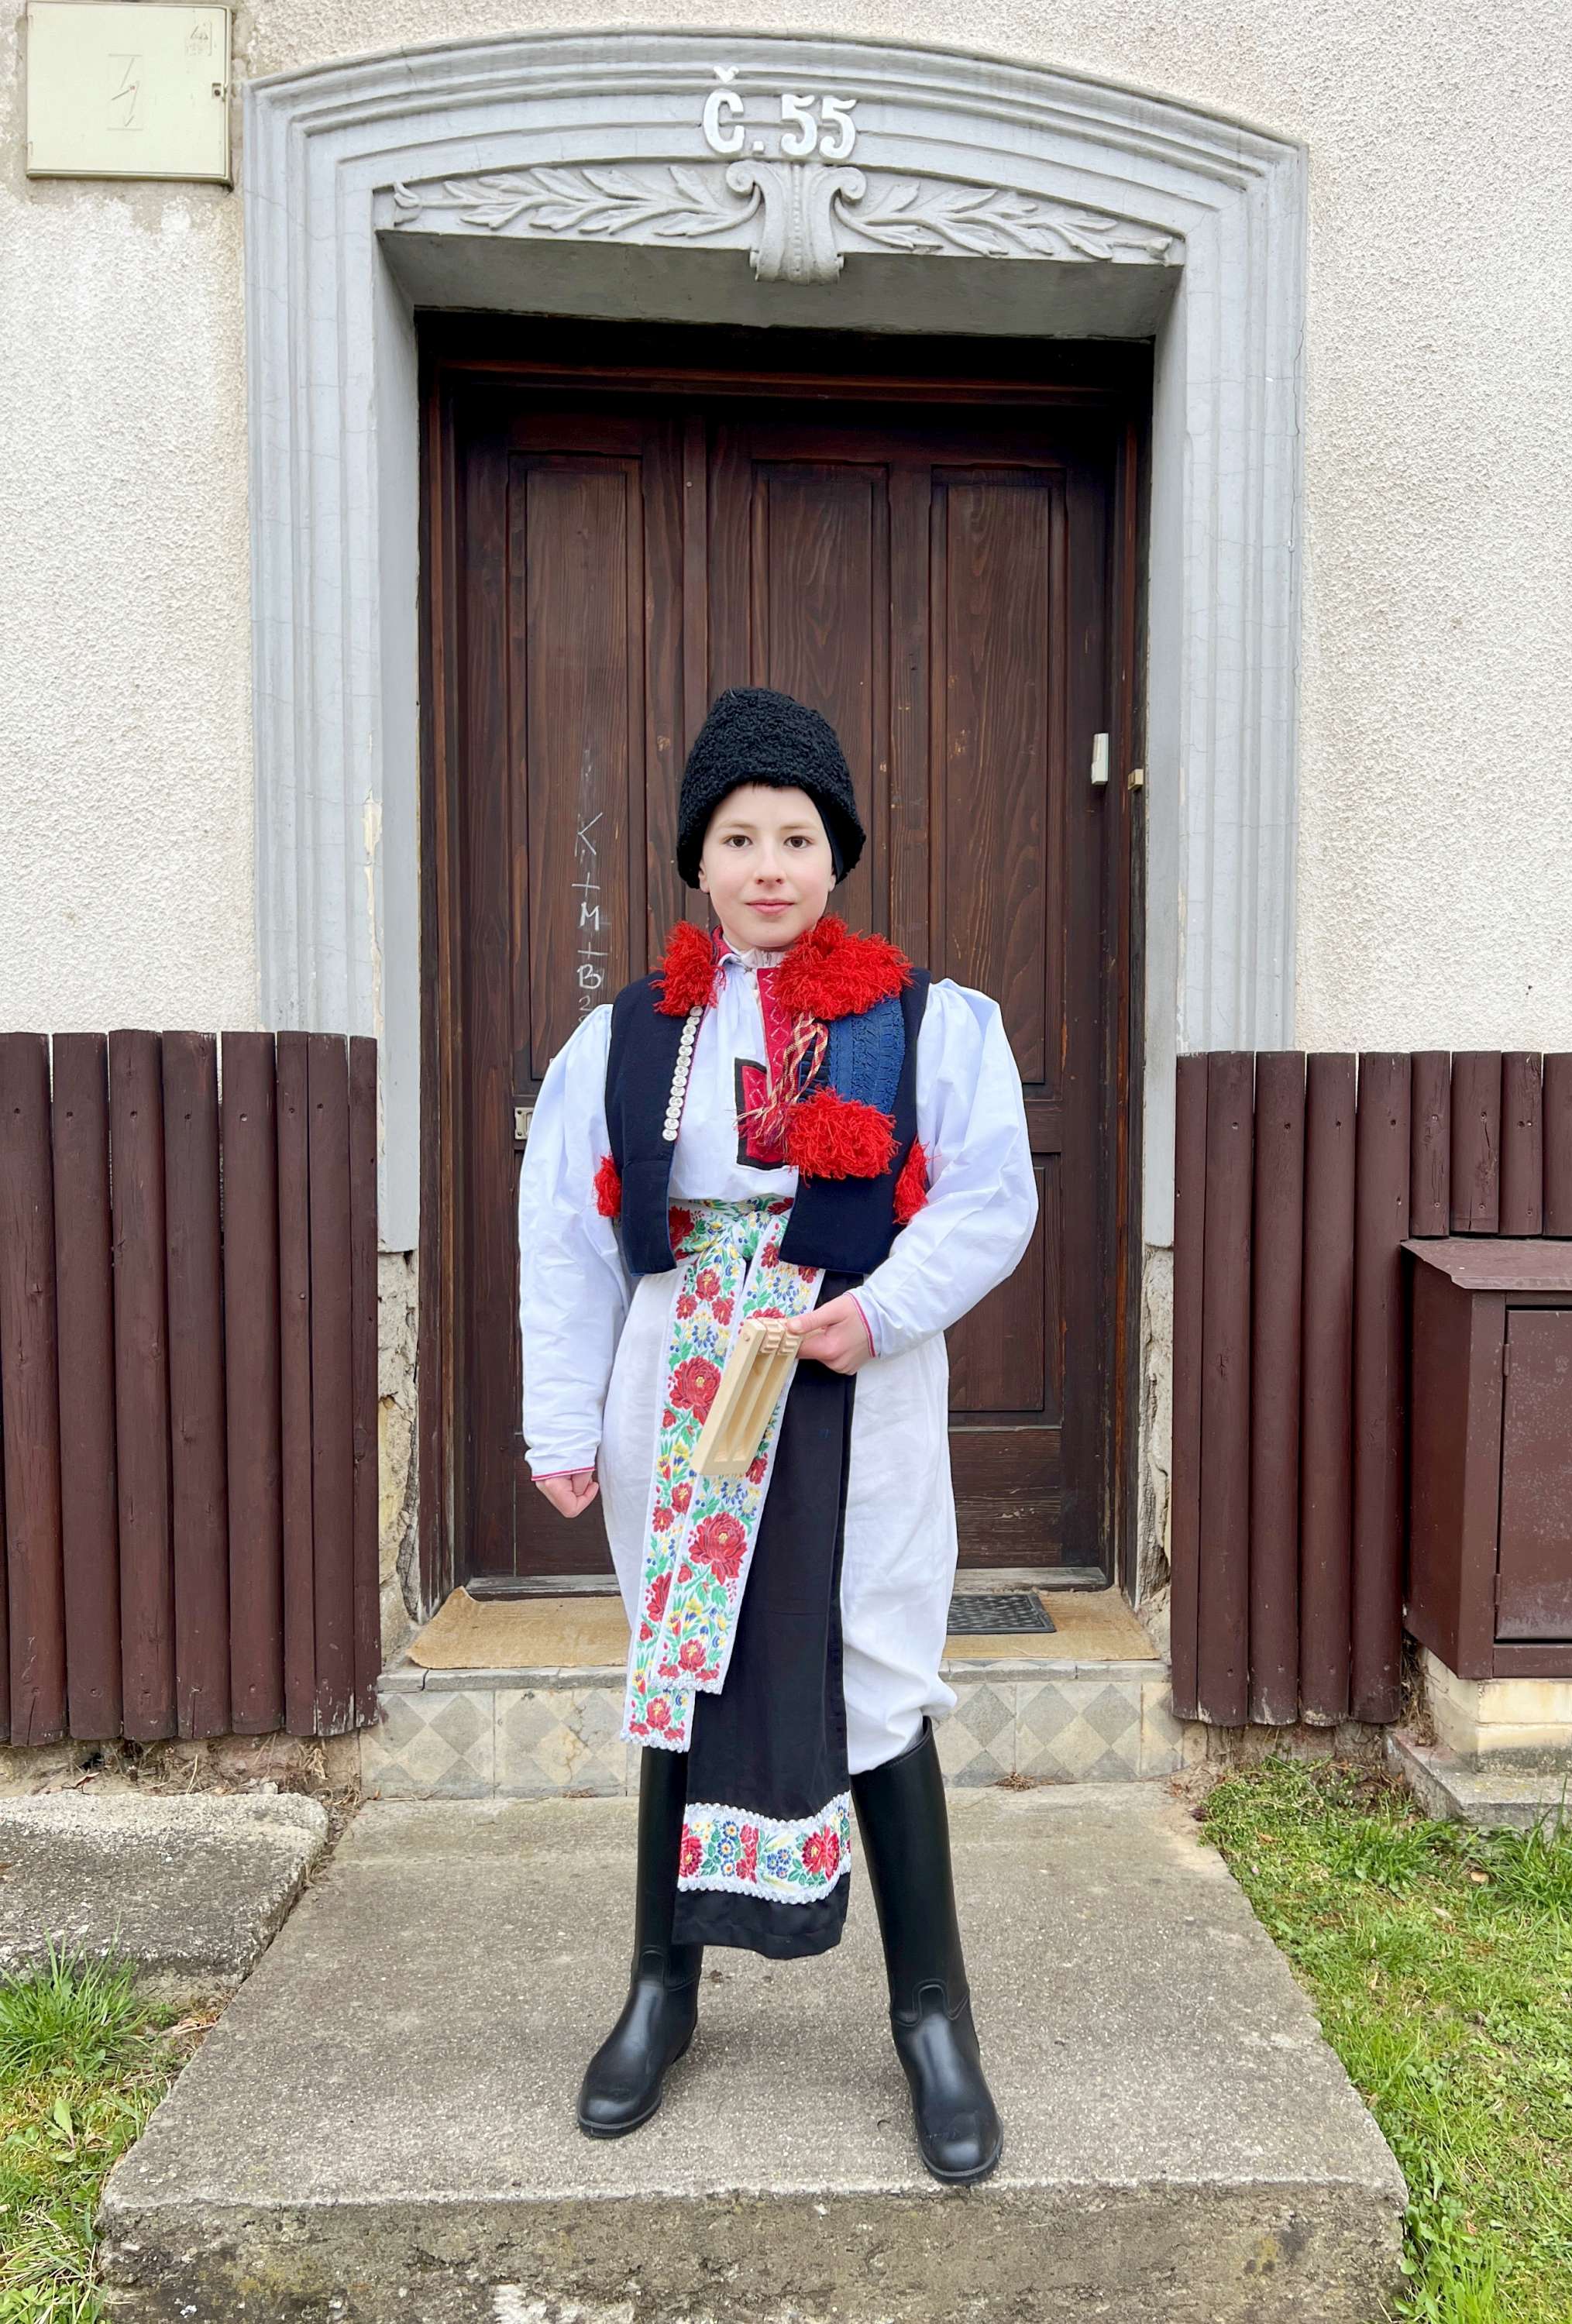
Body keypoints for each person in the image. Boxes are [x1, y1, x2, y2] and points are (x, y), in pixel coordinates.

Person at [517, 685, 1037, 2186]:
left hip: (855, 1375)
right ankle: (660, 1990)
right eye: (738, 836)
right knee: (680, 1661)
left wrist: (882, 1311)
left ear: (836, 854)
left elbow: (989, 1198)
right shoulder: (623, 1038)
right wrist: (561, 1417)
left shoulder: (928, 1023)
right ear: (697, 855)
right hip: (677, 1376)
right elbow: (565, 1235)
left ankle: (931, 2014)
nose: (766, 866)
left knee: (874, 1659)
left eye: (796, 837)